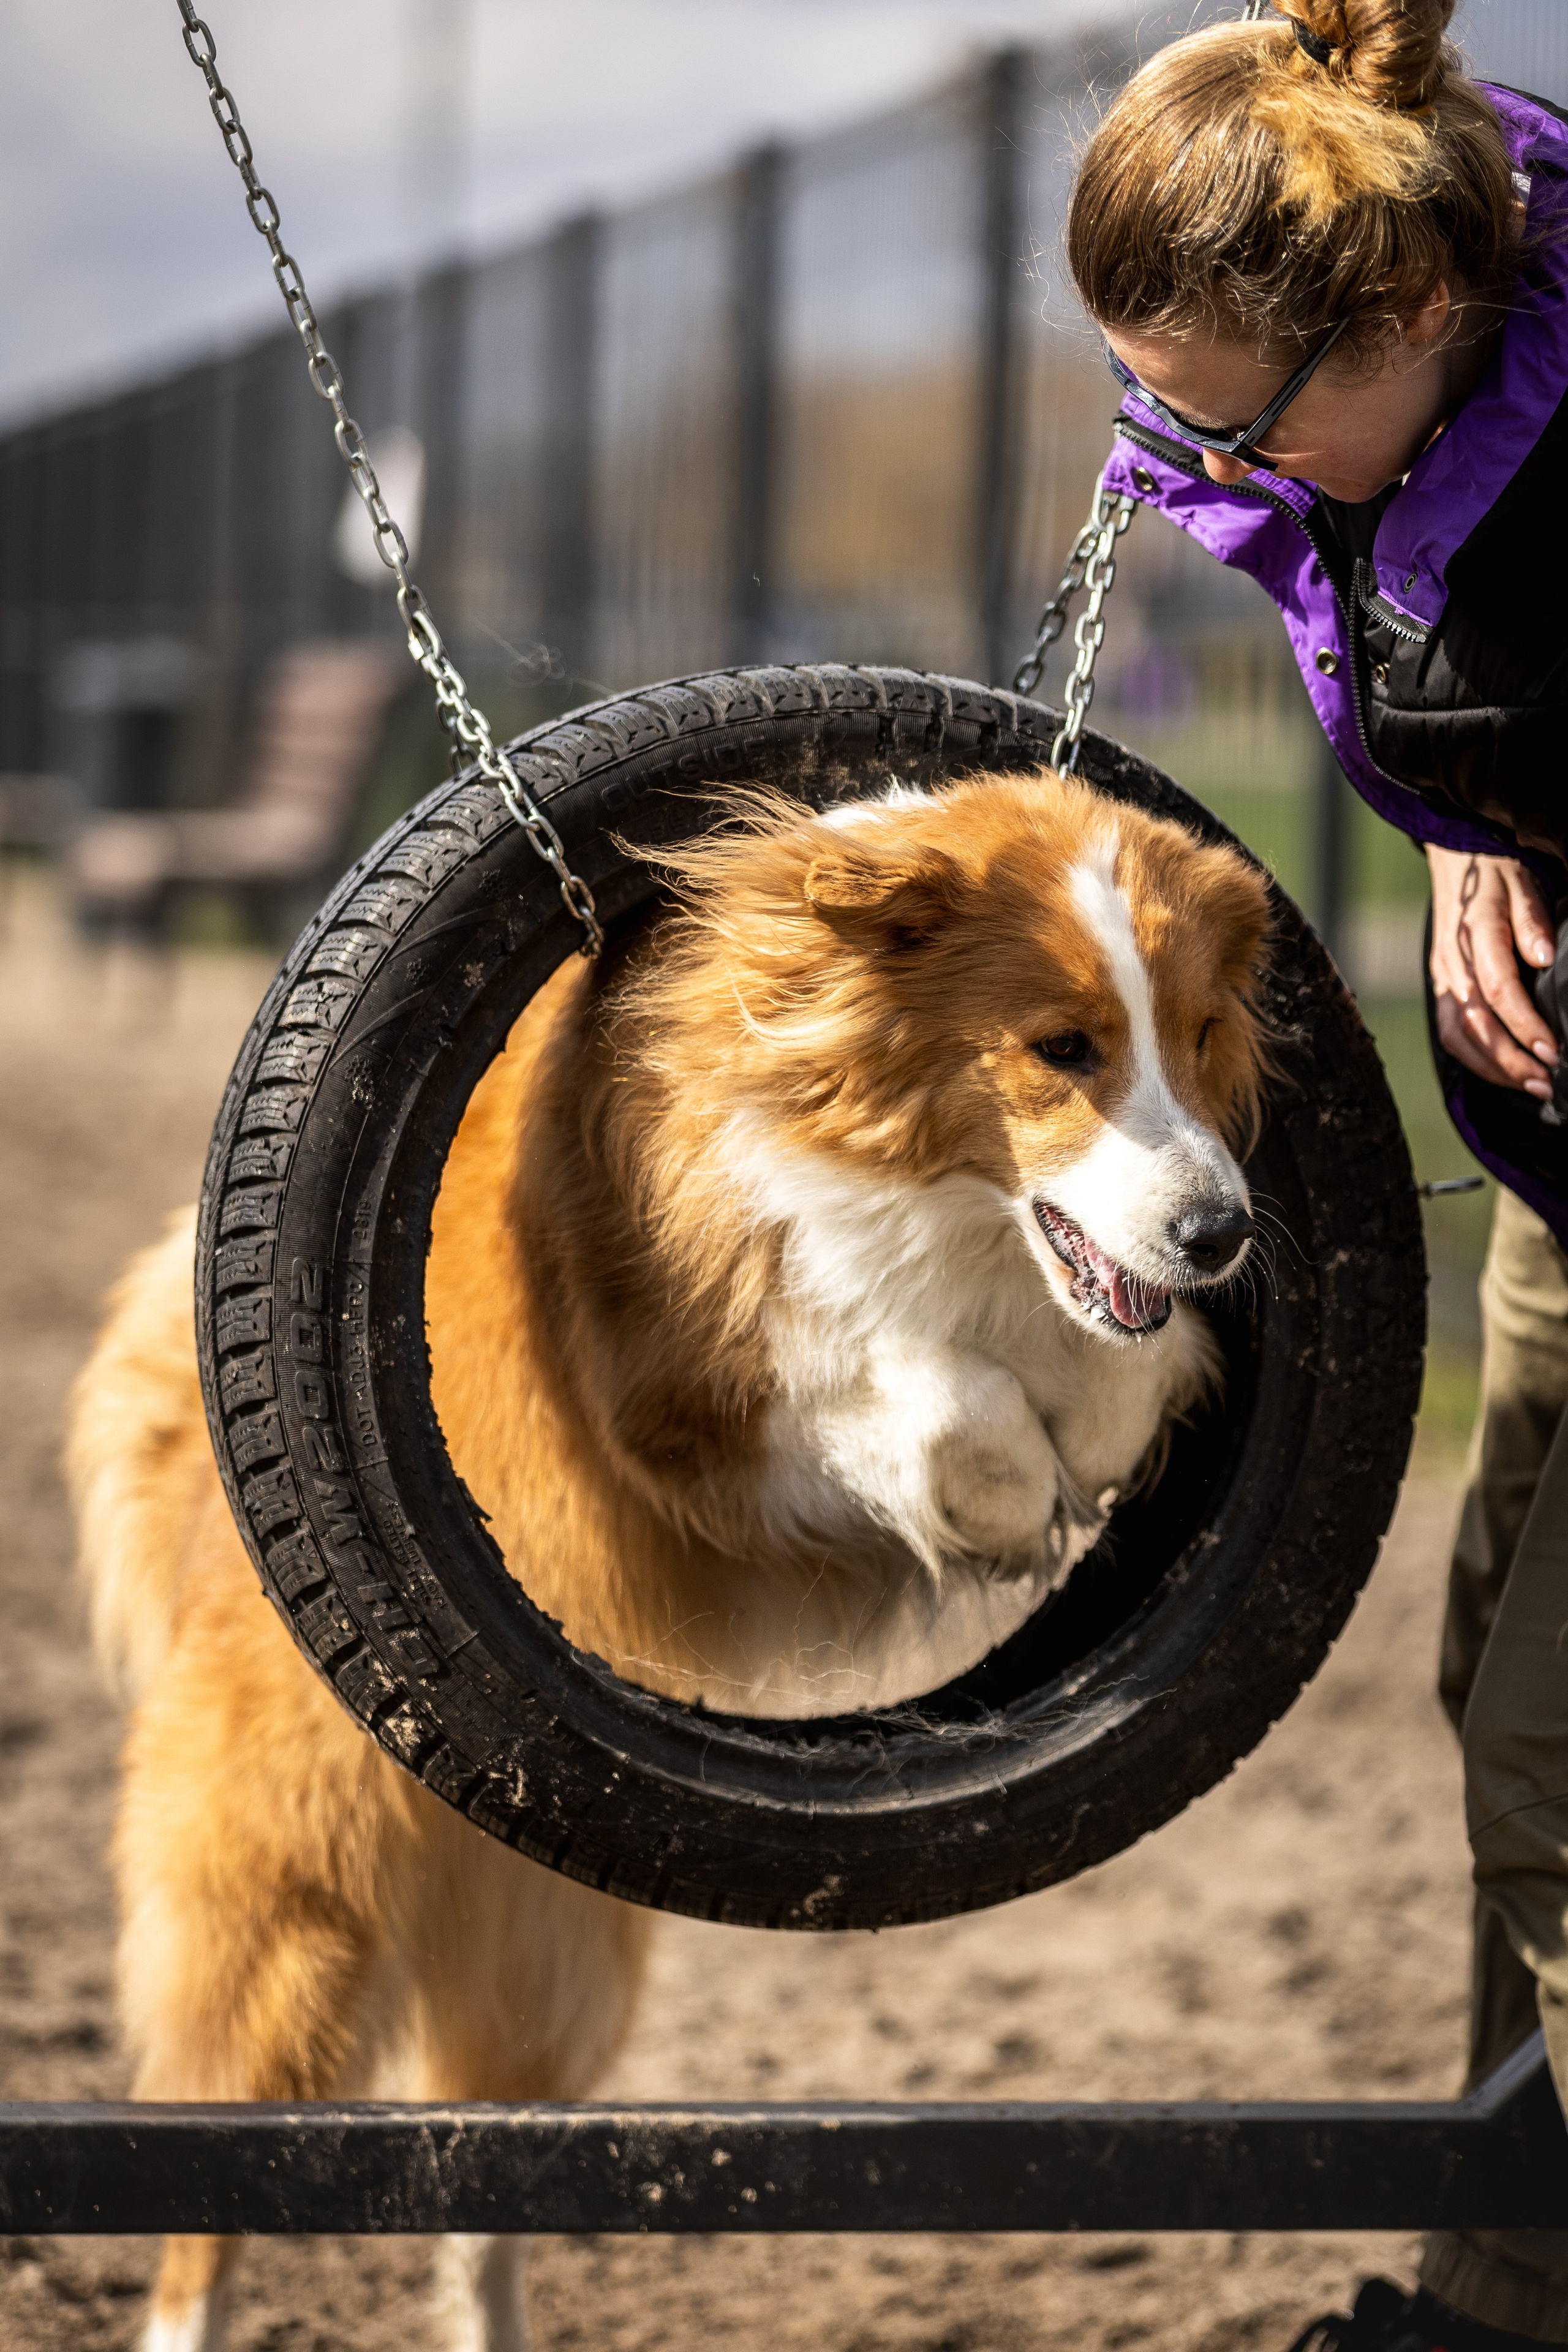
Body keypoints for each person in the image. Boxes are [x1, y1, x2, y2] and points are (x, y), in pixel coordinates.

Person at [1063, 4, 1568, 2348]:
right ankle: (1506, 2280)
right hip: (1563, 1174)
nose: (1184, 456)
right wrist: (1488, 838)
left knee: (1564, 1756)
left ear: (1413, 316)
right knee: (1502, 1684)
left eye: (1228, 419)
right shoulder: (1400, 377)